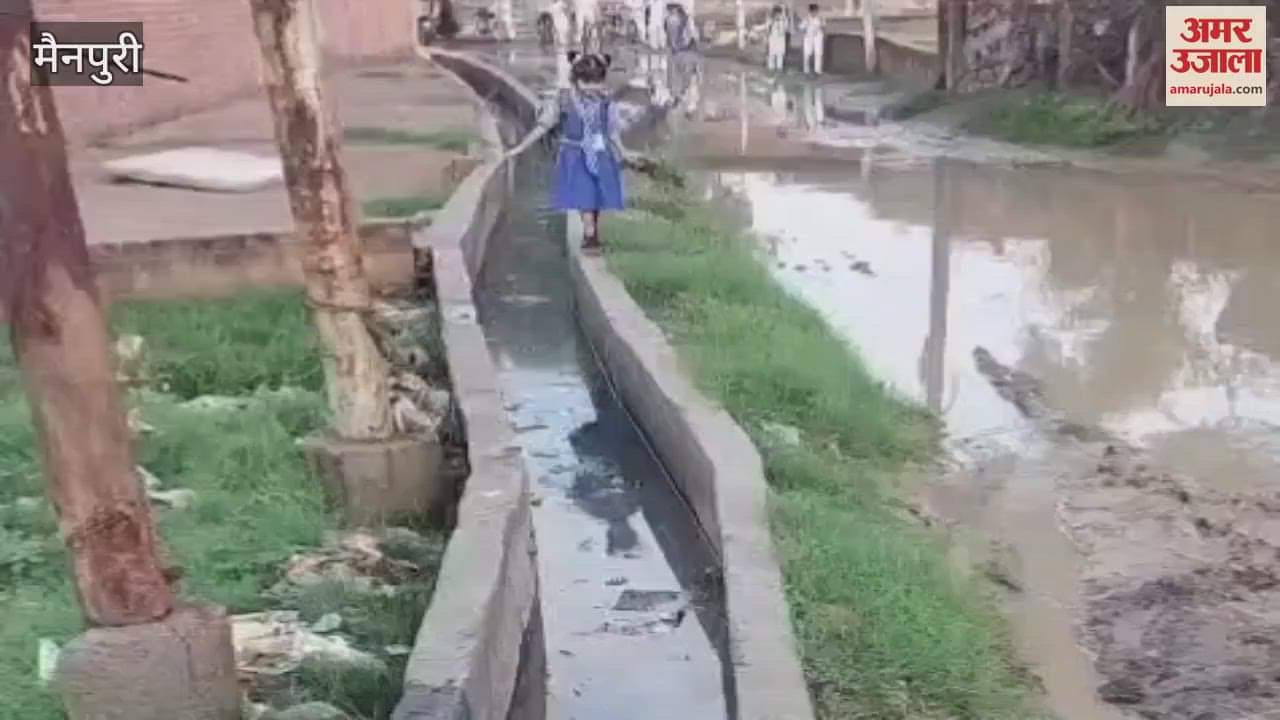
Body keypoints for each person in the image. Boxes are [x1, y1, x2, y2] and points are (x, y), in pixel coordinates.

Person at [506, 53, 642, 253]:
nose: (592, 87)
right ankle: (589, 233)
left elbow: (612, 131)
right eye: (587, 82)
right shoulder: (563, 100)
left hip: (600, 152)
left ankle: (592, 229)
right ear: (577, 81)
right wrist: (521, 147)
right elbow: (544, 126)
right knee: (584, 193)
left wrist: (623, 152)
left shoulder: (607, 102)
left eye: (597, 82)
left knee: (596, 195)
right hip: (575, 154)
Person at [800, 3, 824, 74]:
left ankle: (817, 70)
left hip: (817, 38)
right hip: (808, 38)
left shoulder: (820, 18)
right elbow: (801, 28)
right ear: (810, 11)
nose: (814, 12)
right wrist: (805, 31)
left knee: (818, 53)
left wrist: (821, 31)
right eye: (813, 11)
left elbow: (823, 27)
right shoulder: (806, 18)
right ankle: (806, 70)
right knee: (807, 53)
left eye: (816, 11)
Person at [765, 5, 787, 72]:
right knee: (772, 53)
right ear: (773, 13)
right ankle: (771, 67)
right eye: (776, 13)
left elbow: (785, 28)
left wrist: (781, 22)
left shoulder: (783, 19)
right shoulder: (770, 19)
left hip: (780, 38)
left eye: (779, 13)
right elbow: (767, 28)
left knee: (780, 53)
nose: (777, 14)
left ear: (780, 13)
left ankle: (779, 67)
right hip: (773, 37)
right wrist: (772, 22)